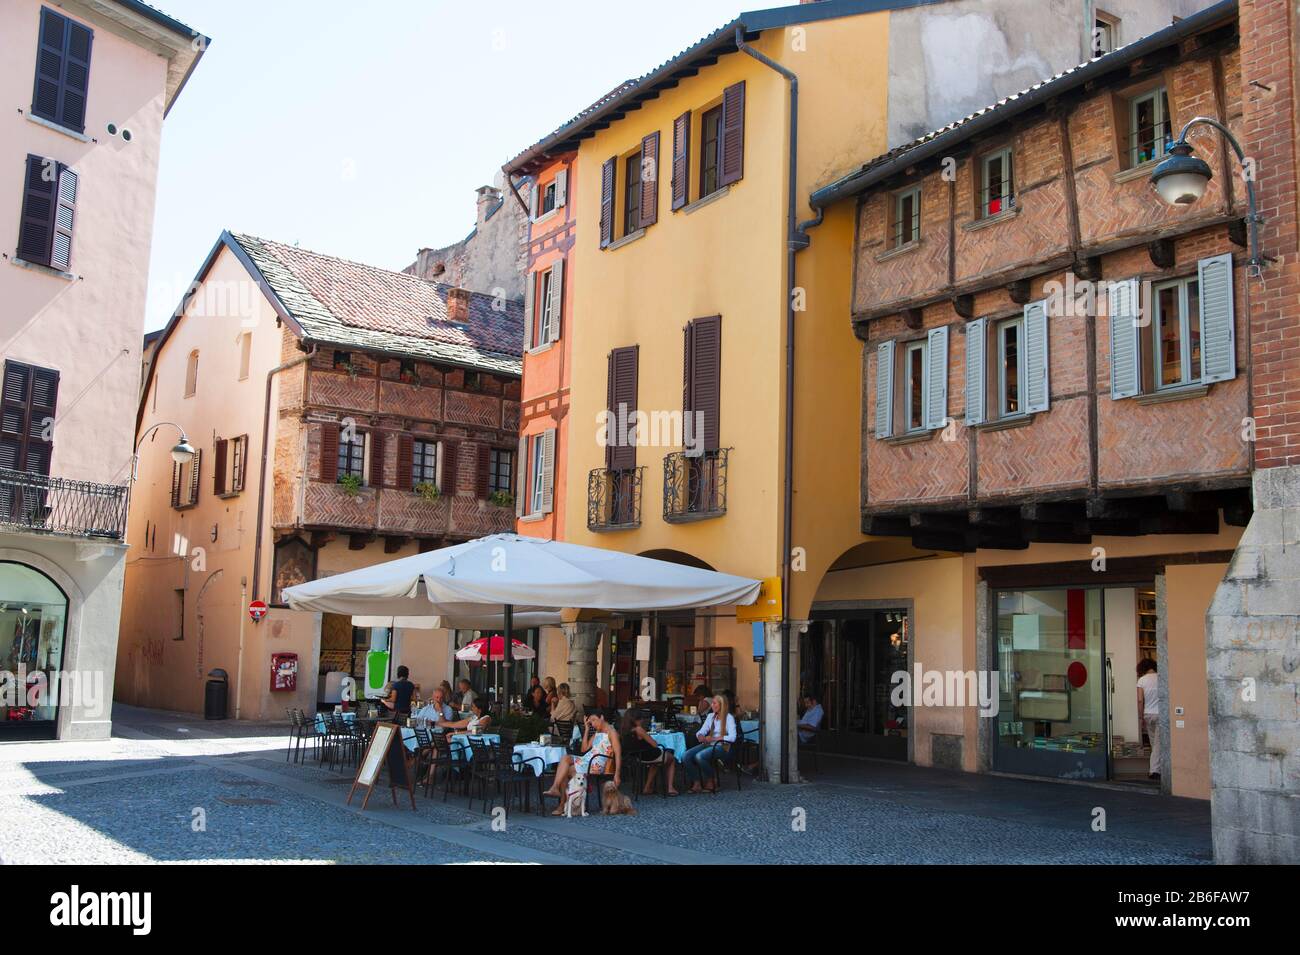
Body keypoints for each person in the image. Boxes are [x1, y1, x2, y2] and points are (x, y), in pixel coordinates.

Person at [543, 711, 621, 815]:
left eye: (594, 720)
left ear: (601, 717)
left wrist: (617, 774)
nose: (592, 724)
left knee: (564, 771)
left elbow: (618, 753)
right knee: (565, 758)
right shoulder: (597, 733)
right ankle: (556, 789)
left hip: (596, 764)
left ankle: (562, 804)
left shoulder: (612, 732)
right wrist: (587, 729)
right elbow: (584, 749)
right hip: (587, 760)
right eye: (591, 722)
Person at [681, 695, 736, 793]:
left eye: (714, 703)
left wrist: (714, 738)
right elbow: (701, 731)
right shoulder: (711, 716)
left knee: (699, 756)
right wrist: (700, 736)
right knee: (685, 756)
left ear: (721, 705)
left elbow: (732, 737)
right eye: (712, 702)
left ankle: (711, 779)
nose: (712, 705)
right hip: (708, 744)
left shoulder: (729, 717)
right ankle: (697, 781)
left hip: (722, 746)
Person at [619, 710, 678, 796]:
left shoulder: (623, 731)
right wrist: (648, 735)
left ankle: (647, 787)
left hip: (635, 757)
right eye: (641, 719)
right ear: (636, 720)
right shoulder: (639, 729)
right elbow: (655, 744)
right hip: (648, 755)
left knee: (655, 763)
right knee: (672, 758)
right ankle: (670, 788)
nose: (642, 721)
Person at [1136, 659, 1161, 780]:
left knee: (1154, 744)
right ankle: (1154, 771)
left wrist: (1141, 717)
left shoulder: (1141, 680)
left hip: (1147, 714)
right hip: (1160, 714)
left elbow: (1140, 700)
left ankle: (1156, 770)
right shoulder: (1161, 678)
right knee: (1158, 744)